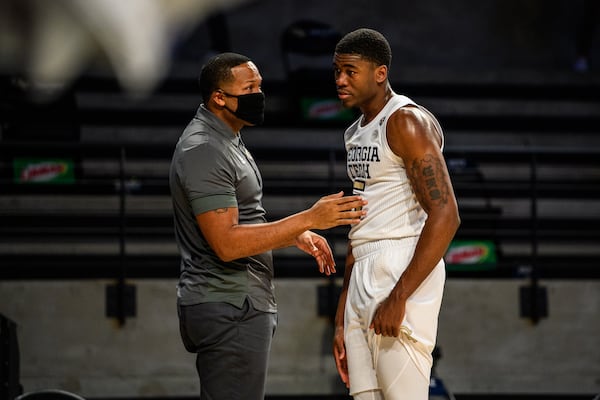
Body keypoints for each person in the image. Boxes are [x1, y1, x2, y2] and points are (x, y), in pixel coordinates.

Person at [169, 52, 367, 400]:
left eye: (260, 86)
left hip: (238, 304)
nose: (260, 96)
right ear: (219, 97)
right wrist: (308, 218)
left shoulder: (227, 137)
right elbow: (227, 243)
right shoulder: (204, 149)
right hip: (230, 305)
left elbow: (242, 219)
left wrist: (296, 234)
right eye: (250, 88)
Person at [331, 29, 461, 400]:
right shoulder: (355, 132)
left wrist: (400, 295)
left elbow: (446, 214)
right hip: (364, 267)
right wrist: (343, 312)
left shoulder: (405, 121)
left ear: (380, 73)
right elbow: (361, 221)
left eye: (350, 71)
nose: (340, 80)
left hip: (400, 262)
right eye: (337, 71)